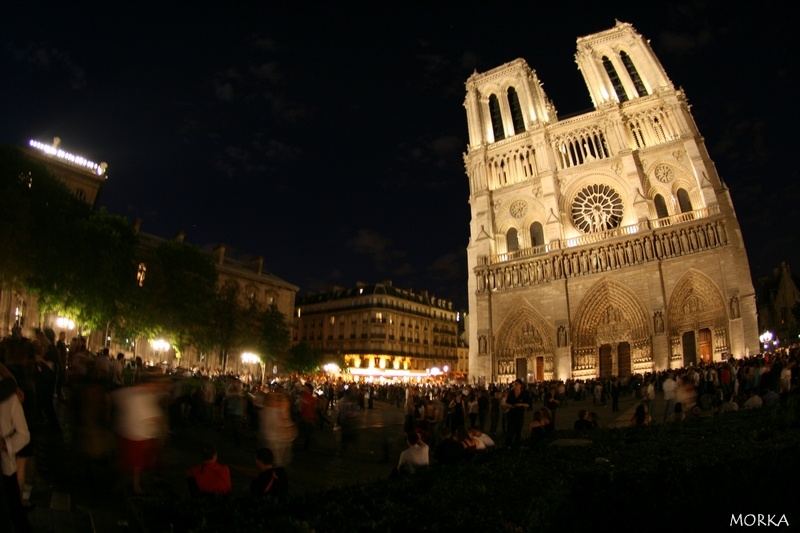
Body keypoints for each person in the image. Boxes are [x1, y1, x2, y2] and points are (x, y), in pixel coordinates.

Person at [0, 372, 32, 532]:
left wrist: (6, 445)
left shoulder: (9, 397)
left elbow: (24, 435)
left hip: (5, 468)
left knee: (14, 515)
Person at [503, 379, 531, 448]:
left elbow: (528, 404)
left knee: (518, 430)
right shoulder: (511, 393)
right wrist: (510, 406)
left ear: (520, 385)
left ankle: (517, 444)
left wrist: (521, 404)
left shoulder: (524, 394)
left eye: (517, 384)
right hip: (511, 414)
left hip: (519, 414)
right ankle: (508, 444)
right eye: (515, 384)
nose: (515, 386)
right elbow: (506, 403)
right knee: (510, 430)